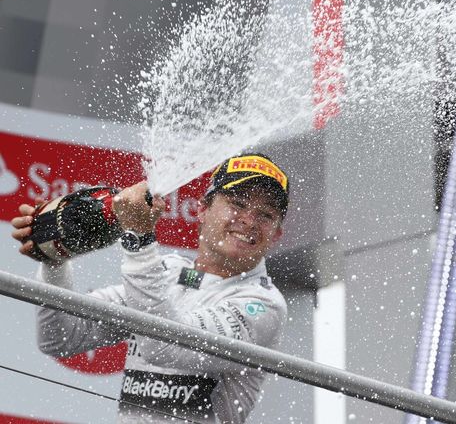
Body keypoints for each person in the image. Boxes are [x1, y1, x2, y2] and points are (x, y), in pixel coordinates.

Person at [10, 153, 290, 423]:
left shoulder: (263, 304)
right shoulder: (171, 273)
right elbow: (61, 337)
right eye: (238, 203)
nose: (249, 220)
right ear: (203, 209)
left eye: (265, 215)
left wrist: (140, 241)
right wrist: (55, 260)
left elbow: (165, 347)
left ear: (276, 234)